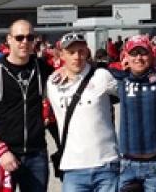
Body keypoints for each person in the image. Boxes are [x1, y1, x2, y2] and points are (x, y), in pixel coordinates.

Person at [0, 19, 54, 192]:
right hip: (4, 154)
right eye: (19, 37)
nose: (25, 42)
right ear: (9, 39)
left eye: (30, 37)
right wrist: (1, 150)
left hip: (36, 153)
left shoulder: (43, 69)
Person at [47, 32, 120, 192]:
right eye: (71, 52)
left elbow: (128, 95)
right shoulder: (53, 83)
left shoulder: (101, 76)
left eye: (81, 51)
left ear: (87, 52)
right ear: (61, 55)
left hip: (105, 164)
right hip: (73, 167)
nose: (77, 57)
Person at [111, 35, 156, 192]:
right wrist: (118, 64)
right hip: (127, 164)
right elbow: (97, 66)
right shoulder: (120, 76)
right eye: (133, 53)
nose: (138, 57)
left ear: (152, 54)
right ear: (126, 56)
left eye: (143, 53)